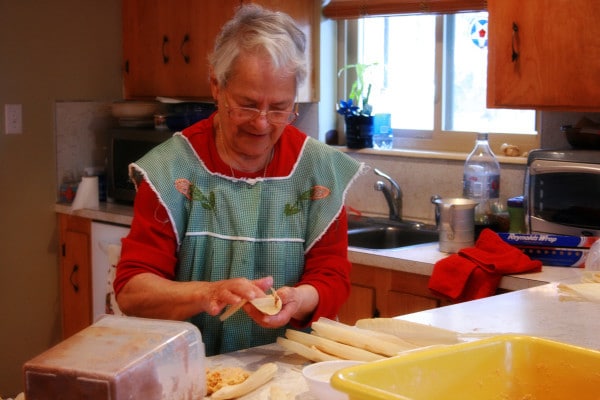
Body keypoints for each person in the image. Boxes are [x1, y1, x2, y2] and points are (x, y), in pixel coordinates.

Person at [114, 4, 365, 356]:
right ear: (216, 86)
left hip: (288, 372)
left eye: (279, 108)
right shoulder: (171, 170)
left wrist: (300, 298)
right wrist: (207, 294)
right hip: (190, 371)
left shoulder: (319, 172)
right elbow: (132, 290)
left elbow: (332, 278)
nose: (262, 123)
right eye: (246, 105)